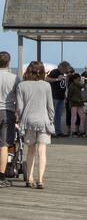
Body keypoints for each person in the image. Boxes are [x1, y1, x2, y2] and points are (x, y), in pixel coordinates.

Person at [16, 61, 54, 190]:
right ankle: (41, 180)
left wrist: (20, 120)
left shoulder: (21, 86)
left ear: (28, 71)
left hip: (28, 121)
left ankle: (30, 178)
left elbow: (20, 108)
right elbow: (50, 107)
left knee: (30, 150)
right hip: (43, 121)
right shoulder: (46, 86)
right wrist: (51, 120)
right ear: (42, 71)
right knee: (42, 151)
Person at [0, 51, 17, 186]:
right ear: (9, 62)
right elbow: (19, 99)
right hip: (7, 112)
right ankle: (1, 177)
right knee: (4, 145)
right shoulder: (15, 78)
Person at [47, 62, 70, 137]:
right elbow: (46, 79)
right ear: (62, 67)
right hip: (54, 97)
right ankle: (52, 132)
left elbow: (64, 86)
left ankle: (58, 131)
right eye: (66, 68)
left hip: (61, 97)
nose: (67, 70)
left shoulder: (64, 74)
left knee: (58, 115)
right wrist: (57, 79)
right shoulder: (55, 72)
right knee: (53, 115)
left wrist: (65, 95)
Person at [67, 72, 87, 137]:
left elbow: (85, 88)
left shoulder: (79, 84)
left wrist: (86, 83)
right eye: (78, 79)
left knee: (82, 117)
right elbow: (69, 96)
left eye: (79, 80)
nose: (79, 81)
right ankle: (73, 131)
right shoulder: (71, 86)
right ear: (74, 79)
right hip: (74, 103)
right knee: (74, 117)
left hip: (80, 103)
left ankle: (81, 131)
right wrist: (70, 102)